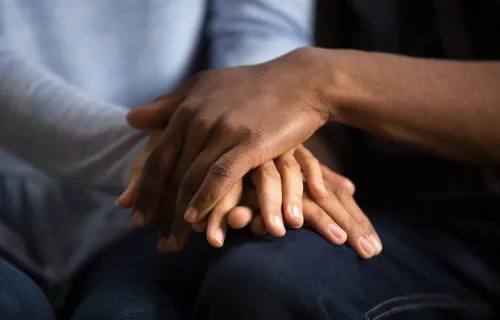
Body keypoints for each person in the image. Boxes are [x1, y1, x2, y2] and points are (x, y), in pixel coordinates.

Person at [127, 0, 500, 318]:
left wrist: (322, 79)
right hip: (379, 205)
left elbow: (295, 85)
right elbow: (280, 87)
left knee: (267, 285)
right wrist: (271, 167)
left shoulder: (314, 75)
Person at [2, 0, 365, 319]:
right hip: (164, 190)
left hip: (148, 218)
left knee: (127, 313)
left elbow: (262, 28)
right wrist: (188, 159)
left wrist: (253, 142)